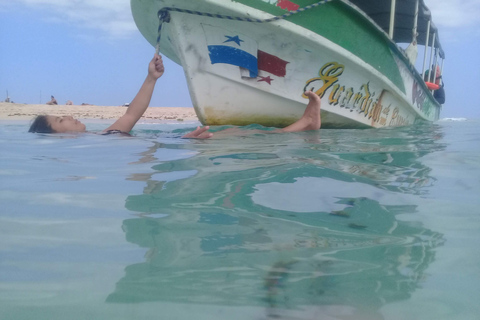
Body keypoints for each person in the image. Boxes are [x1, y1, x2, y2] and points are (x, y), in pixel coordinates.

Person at [29, 54, 321, 137]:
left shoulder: (103, 136)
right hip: (177, 146)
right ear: (59, 138)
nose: (67, 115)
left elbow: (132, 114)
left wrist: (151, 77)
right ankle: (305, 124)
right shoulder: (97, 143)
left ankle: (305, 125)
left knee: (235, 132)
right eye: (59, 120)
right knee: (235, 135)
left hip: (172, 143)